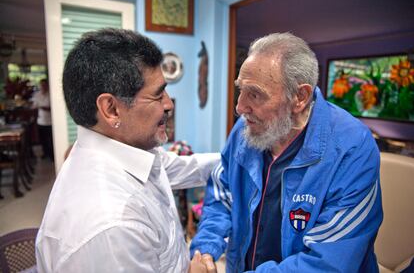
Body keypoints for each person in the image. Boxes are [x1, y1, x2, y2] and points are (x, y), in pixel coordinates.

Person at [190, 32, 383, 272]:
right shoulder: (245, 130)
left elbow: (326, 262)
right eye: (241, 90)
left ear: (300, 97)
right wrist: (206, 249)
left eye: (255, 94)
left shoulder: (353, 148)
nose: (239, 108)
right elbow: (222, 196)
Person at [35, 28, 219, 273]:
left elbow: (183, 167)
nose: (168, 104)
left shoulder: (127, 148)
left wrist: (240, 155)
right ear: (111, 109)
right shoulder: (113, 228)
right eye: (157, 95)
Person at [31, 78, 54, 160]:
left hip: (50, 121)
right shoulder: (37, 95)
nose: (43, 87)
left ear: (47, 86)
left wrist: (42, 107)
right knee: (43, 139)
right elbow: (34, 106)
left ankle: (52, 155)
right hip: (40, 121)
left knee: (51, 139)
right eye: (42, 85)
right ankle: (45, 153)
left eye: (44, 85)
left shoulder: (51, 94)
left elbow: (52, 108)